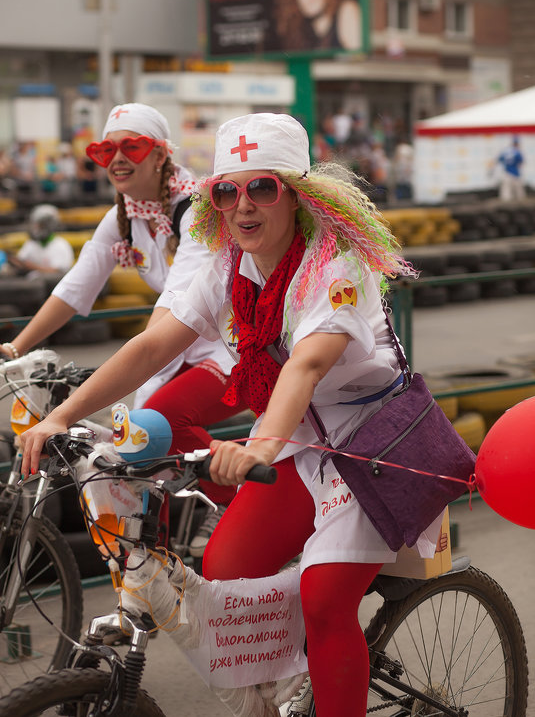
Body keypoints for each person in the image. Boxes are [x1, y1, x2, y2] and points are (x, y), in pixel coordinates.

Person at [21, 112, 441, 717]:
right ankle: (289, 679)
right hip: (302, 446)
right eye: (225, 190)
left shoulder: (335, 262)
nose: (242, 206)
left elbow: (305, 366)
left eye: (262, 188)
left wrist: (260, 446)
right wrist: (60, 417)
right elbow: (152, 346)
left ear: (297, 195)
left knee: (325, 602)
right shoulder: (227, 262)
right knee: (225, 570)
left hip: (370, 447)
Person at [4, 102, 243, 551]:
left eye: (131, 146)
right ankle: (155, 569)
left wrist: (125, 380)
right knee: (139, 448)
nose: (117, 158)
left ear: (160, 156)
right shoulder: (124, 216)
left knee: (157, 420)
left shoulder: (197, 211)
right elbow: (75, 287)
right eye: (104, 149)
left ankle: (240, 501)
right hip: (173, 347)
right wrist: (15, 349)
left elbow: (168, 320)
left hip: (230, 351)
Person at [13, 204, 74, 276]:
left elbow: (58, 272)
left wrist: (32, 267)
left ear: (49, 225)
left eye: (40, 225)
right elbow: (20, 260)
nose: (35, 228)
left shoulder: (61, 245)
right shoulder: (31, 243)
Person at [493, 135, 525, 202]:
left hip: (507, 172)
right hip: (515, 173)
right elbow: (521, 163)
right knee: (518, 190)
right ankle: (520, 203)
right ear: (516, 144)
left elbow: (498, 160)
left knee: (506, 191)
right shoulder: (517, 152)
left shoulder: (505, 151)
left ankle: (506, 203)